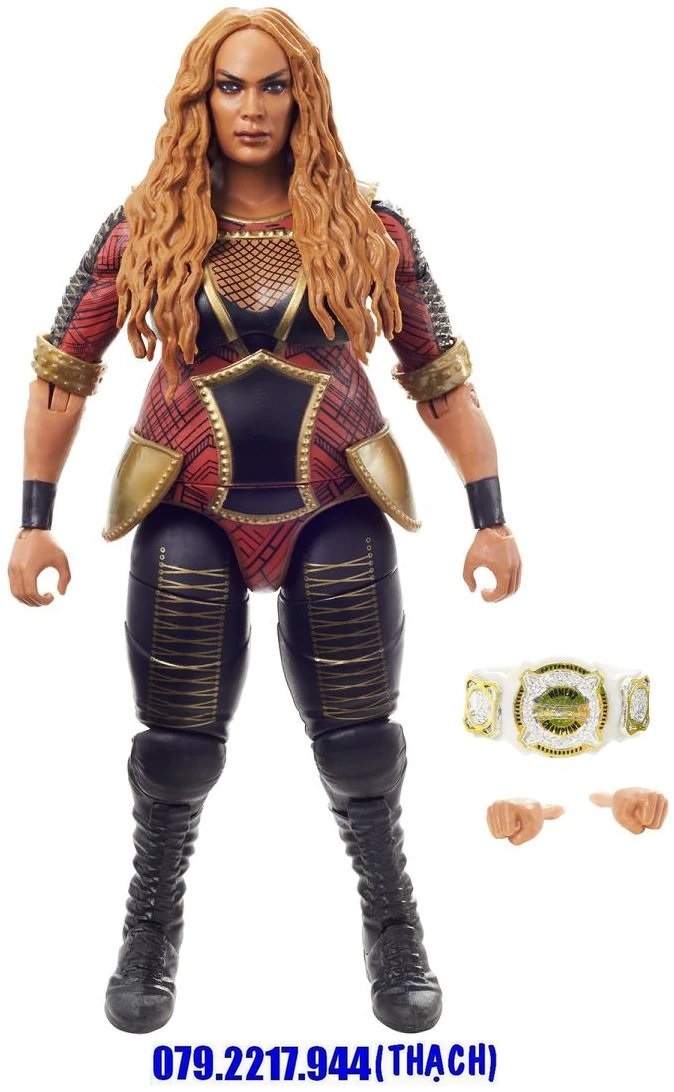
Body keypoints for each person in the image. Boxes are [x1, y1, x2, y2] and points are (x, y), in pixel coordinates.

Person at [8, 7, 521, 1035]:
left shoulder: (371, 231)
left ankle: (393, 924)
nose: (251, 108)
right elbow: (65, 367)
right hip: (188, 505)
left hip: (335, 503)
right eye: (230, 86)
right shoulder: (144, 226)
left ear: (304, 98)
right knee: (175, 745)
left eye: (272, 85)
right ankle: (149, 928)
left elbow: (437, 373)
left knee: (360, 743)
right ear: (198, 99)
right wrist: (33, 518)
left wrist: (490, 515)